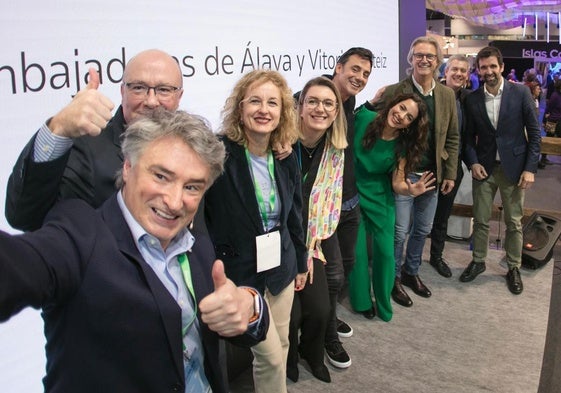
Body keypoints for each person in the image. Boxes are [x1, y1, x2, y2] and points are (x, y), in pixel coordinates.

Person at [0, 109, 269, 393]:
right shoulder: (81, 232)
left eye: (192, 187)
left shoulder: (197, 244)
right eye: (161, 177)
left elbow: (245, 326)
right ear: (127, 167)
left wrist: (249, 306)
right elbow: (19, 266)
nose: (175, 202)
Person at [203, 69, 307, 393]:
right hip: (240, 272)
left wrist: (301, 261)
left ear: (282, 112)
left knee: (283, 344)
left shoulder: (286, 155)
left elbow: (296, 215)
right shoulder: (219, 153)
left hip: (281, 268)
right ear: (240, 108)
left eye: (273, 103)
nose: (264, 110)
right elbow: (203, 217)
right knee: (272, 357)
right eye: (255, 101)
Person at [5, 49, 187, 232]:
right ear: (123, 92)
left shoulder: (192, 146)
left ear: (179, 96)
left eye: (164, 90)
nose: (151, 101)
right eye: (138, 88)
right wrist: (57, 129)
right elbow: (24, 217)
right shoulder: (88, 151)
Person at [372, 36, 459, 308]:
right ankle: (395, 278)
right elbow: (374, 124)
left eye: (430, 56)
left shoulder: (446, 95)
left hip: (432, 176)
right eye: (418, 55)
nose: (424, 60)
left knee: (422, 229)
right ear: (411, 59)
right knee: (400, 232)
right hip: (403, 174)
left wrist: (450, 172)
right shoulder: (395, 91)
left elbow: (453, 137)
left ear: (437, 62)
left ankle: (411, 272)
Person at [460, 46, 541, 295]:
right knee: (481, 220)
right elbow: (466, 139)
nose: (489, 71)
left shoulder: (521, 93)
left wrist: (530, 168)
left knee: (514, 222)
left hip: (514, 169)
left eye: (493, 66)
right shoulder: (472, 99)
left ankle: (513, 267)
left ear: (502, 67)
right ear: (479, 70)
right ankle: (478, 261)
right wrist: (472, 162)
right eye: (483, 67)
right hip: (483, 169)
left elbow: (535, 134)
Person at [349, 93, 434, 322]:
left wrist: (410, 190)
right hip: (352, 192)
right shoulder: (364, 118)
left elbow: (397, 183)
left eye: (409, 117)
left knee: (386, 253)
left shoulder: (402, 146)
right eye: (402, 108)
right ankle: (362, 302)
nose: (401, 115)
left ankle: (384, 301)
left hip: (380, 196)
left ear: (410, 125)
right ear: (394, 104)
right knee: (357, 253)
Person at [286, 76, 346, 383]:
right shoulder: (280, 144)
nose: (319, 109)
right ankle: (289, 359)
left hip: (311, 244)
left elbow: (329, 205)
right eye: (313, 101)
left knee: (321, 310)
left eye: (327, 103)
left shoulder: (336, 151)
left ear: (336, 112)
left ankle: (311, 353)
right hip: (281, 243)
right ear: (299, 106)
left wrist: (307, 254)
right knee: (291, 315)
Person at [429, 55, 472, 278]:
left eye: (463, 70)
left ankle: (436, 256)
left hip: (452, 168)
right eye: (454, 69)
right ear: (445, 71)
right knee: (414, 217)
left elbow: (465, 138)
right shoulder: (432, 94)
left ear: (468, 75)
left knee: (442, 216)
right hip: (427, 165)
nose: (458, 74)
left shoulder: (469, 100)